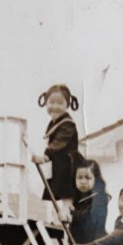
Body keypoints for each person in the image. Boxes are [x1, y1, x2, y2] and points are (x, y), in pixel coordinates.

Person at [31, 84, 82, 222]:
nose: (55, 106)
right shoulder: (53, 123)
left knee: (67, 190)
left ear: (67, 105)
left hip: (68, 162)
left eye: (60, 103)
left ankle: (67, 213)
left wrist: (45, 156)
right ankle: (58, 215)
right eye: (51, 102)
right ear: (45, 103)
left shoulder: (68, 124)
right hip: (58, 163)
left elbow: (59, 142)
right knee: (56, 189)